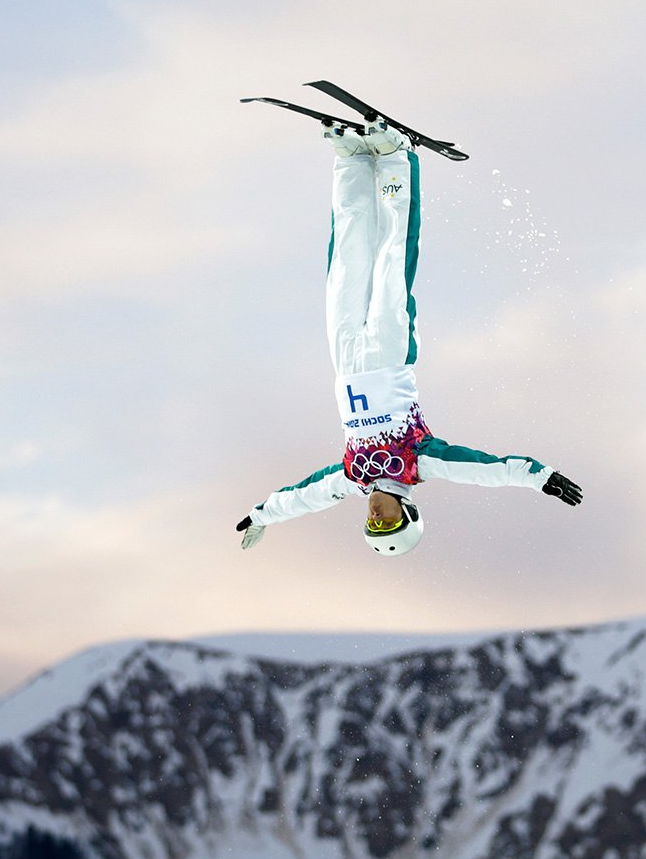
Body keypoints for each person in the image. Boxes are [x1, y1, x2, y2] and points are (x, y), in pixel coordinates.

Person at [236, 118, 583, 556]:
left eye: (374, 527)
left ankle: (353, 162)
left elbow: (303, 496)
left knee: (345, 261)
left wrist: (263, 514)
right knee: (390, 258)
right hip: (389, 353)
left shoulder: (351, 476)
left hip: (344, 361)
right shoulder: (421, 462)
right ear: (409, 513)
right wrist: (540, 477)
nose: (378, 519)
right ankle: (395, 155)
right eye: (391, 524)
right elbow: (486, 470)